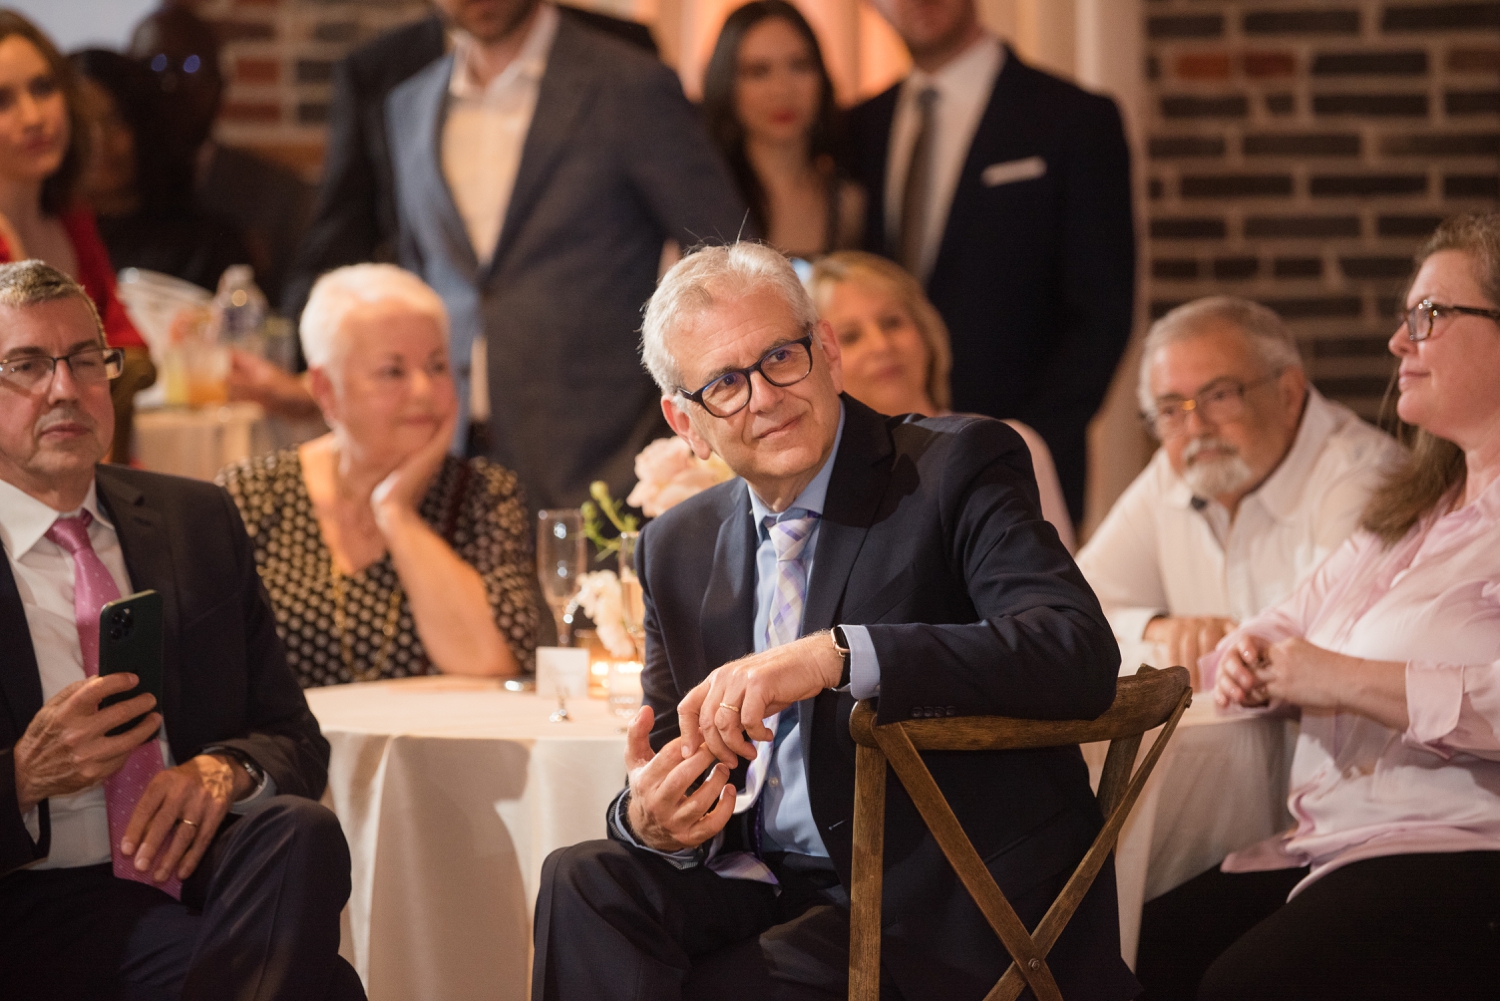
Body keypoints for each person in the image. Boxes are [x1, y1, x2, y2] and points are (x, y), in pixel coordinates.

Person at [531, 242, 1138, 1001]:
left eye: (780, 356)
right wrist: (650, 818)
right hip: (769, 885)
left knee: (713, 988)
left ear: (826, 352)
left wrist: (838, 654)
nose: (763, 396)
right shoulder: (675, 545)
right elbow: (671, 747)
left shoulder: (953, 469)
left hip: (944, 902)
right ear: (685, 421)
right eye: (725, 382)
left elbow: (1073, 649)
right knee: (583, 880)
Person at [1133, 213, 1500, 999]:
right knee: (1127, 955)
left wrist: (1334, 677)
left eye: (1429, 317)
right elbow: (1289, 618)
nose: (1400, 342)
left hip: (1462, 849)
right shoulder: (1418, 507)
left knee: (1244, 986)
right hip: (1332, 841)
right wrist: (1247, 654)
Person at [0, 260, 362, 999]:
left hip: (204, 876)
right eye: (27, 366)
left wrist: (220, 770)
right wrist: (24, 776)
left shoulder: (193, 519)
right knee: (326, 988)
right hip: (34, 903)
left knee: (300, 830)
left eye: (84, 361)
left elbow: (294, 737)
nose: (64, 388)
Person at [386, 0, 747, 511]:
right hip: (453, 457)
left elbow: (724, 255)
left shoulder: (629, 86)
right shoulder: (409, 104)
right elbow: (419, 273)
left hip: (606, 458)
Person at [849, 0, 1134, 524]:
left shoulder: (1073, 119)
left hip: (1019, 466)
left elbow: (1102, 313)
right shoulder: (860, 127)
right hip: (877, 477)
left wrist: (1022, 446)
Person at [217, 264, 537, 688]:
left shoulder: (484, 494)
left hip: (429, 753)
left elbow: (491, 658)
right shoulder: (248, 496)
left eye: (438, 366)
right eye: (393, 372)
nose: (424, 391)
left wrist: (395, 509)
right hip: (291, 753)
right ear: (326, 390)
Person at [1076, 297, 1402, 681]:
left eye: (1219, 396)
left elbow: (1326, 642)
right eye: (1170, 410)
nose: (1196, 428)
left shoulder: (1363, 474)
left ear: (1289, 393)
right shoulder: (1173, 470)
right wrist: (1160, 627)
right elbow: (1069, 610)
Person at [281, 5, 658, 323]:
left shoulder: (623, 60)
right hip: (445, 380)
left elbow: (703, 238)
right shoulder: (389, 79)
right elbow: (343, 235)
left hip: (596, 384)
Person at [807, 249, 1074, 549]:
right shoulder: (822, 486)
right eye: (851, 336)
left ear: (924, 331)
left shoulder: (1007, 446)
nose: (881, 345)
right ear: (822, 364)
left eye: (892, 322)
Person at [0, 13, 153, 464]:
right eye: (3, 100)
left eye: (43, 88)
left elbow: (127, 344)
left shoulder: (72, 219)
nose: (34, 117)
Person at [128, 3, 314, 309]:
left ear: (220, 83)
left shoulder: (280, 197)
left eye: (189, 66)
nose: (170, 83)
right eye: (153, 66)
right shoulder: (102, 197)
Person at [70, 47, 250, 294]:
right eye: (82, 124)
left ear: (144, 126)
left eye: (115, 120)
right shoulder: (48, 237)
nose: (100, 141)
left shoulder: (204, 247)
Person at [702, 1, 862, 259]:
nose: (782, 89)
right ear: (727, 84)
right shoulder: (704, 198)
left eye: (799, 65)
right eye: (759, 71)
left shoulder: (849, 203)